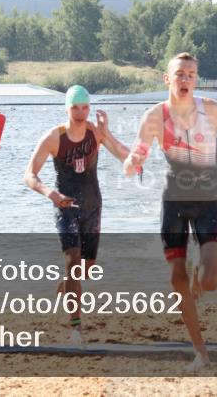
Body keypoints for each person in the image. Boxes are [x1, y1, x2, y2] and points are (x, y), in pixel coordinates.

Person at [123, 52, 217, 370]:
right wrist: (133, 162)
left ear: (196, 80)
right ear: (167, 78)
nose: (185, 80)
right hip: (174, 204)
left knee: (210, 281)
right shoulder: (154, 116)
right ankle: (200, 350)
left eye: (191, 75)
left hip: (209, 203)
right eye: (180, 74)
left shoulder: (212, 110)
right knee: (176, 279)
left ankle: (197, 273)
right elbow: (139, 150)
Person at [24, 84, 131, 345]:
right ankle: (76, 328)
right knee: (72, 263)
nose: (81, 113)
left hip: (92, 205)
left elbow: (128, 159)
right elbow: (29, 175)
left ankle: (67, 285)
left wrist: (106, 133)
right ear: (67, 109)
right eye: (75, 108)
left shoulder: (95, 133)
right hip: (65, 206)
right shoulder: (54, 137)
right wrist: (51, 194)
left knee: (86, 267)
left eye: (85, 108)